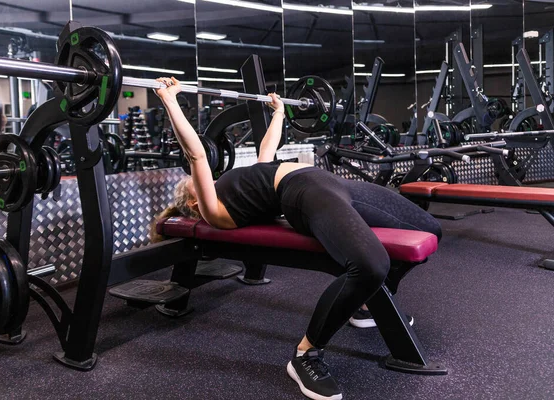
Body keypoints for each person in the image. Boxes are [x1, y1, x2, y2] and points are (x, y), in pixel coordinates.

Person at [153, 77, 442, 400]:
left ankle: (365, 303)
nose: (201, 180)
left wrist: (277, 112)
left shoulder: (237, 184)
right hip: (302, 194)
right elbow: (197, 157)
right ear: (193, 203)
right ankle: (306, 354)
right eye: (193, 184)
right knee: (371, 265)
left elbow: (267, 153)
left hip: (330, 183)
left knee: (429, 229)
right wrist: (170, 101)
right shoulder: (212, 208)